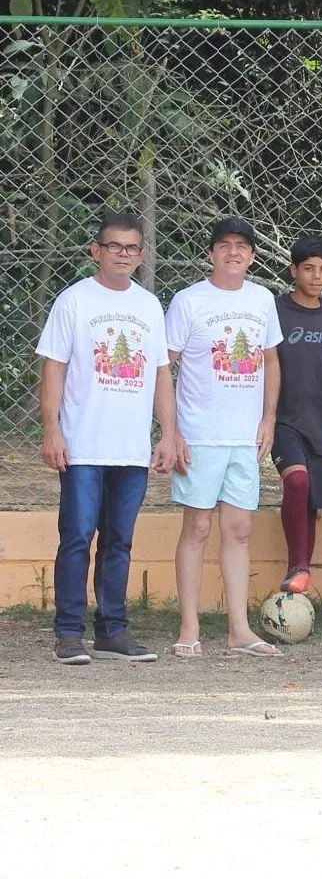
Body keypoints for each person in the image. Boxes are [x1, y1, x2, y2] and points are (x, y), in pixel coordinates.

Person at [37, 212, 180, 664]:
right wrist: (52, 429)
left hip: (131, 449)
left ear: (141, 255)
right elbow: (54, 367)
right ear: (95, 251)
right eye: (113, 246)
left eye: (131, 247)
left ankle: (112, 631)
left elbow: (160, 374)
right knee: (77, 536)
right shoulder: (74, 301)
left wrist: (168, 434)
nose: (122, 254)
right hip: (83, 445)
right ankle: (68, 633)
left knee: (119, 540)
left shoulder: (149, 306)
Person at [168, 217, 285, 658]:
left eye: (242, 246)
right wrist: (172, 430)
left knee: (238, 530)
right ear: (211, 253)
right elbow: (165, 366)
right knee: (197, 528)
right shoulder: (188, 301)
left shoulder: (262, 299)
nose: (233, 252)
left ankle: (239, 629)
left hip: (244, 436)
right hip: (199, 435)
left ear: (252, 256)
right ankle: (189, 627)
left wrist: (268, 418)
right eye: (224, 245)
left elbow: (270, 361)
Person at [271, 235, 322, 597]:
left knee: (311, 501)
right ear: (293, 270)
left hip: (319, 421)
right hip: (282, 419)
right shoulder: (275, 310)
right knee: (297, 482)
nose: (316, 277)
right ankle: (298, 565)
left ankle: (299, 579)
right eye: (309, 269)